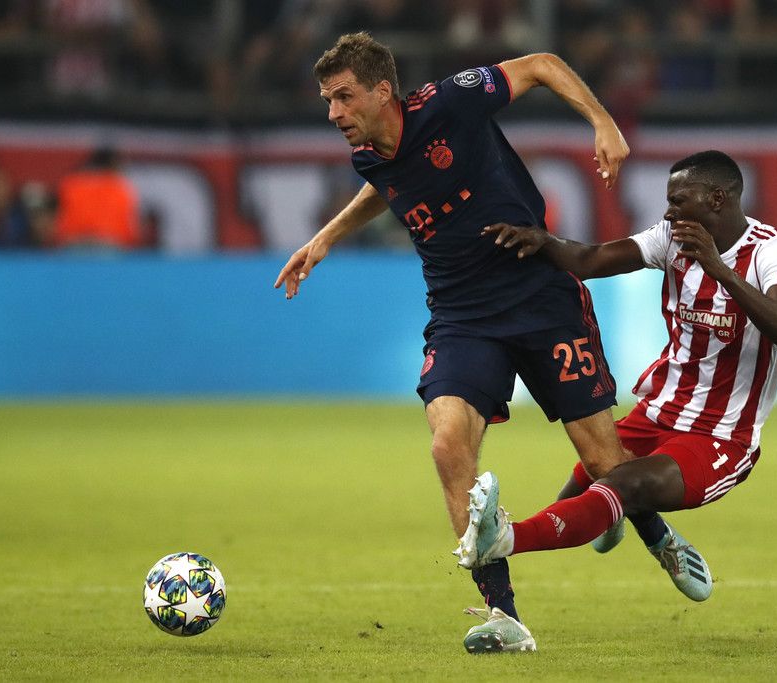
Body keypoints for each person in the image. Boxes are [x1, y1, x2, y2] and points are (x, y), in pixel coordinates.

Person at [274, 32, 709, 654]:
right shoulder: (368, 153)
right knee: (448, 444)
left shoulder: (449, 102)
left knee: (603, 462)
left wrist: (603, 122)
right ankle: (501, 614)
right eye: (327, 101)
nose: (333, 113)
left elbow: (541, 65)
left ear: (382, 91)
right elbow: (390, 184)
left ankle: (661, 541)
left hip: (540, 297)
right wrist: (324, 239)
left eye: (343, 97)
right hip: (461, 316)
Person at [460, 152, 777, 598]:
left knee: (621, 485)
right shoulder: (671, 238)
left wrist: (718, 268)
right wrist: (542, 241)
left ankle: (503, 540)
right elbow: (590, 260)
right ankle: (659, 538)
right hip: (659, 412)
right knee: (582, 486)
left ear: (717, 199)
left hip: (721, 434)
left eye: (679, 200)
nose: (669, 212)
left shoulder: (772, 248)